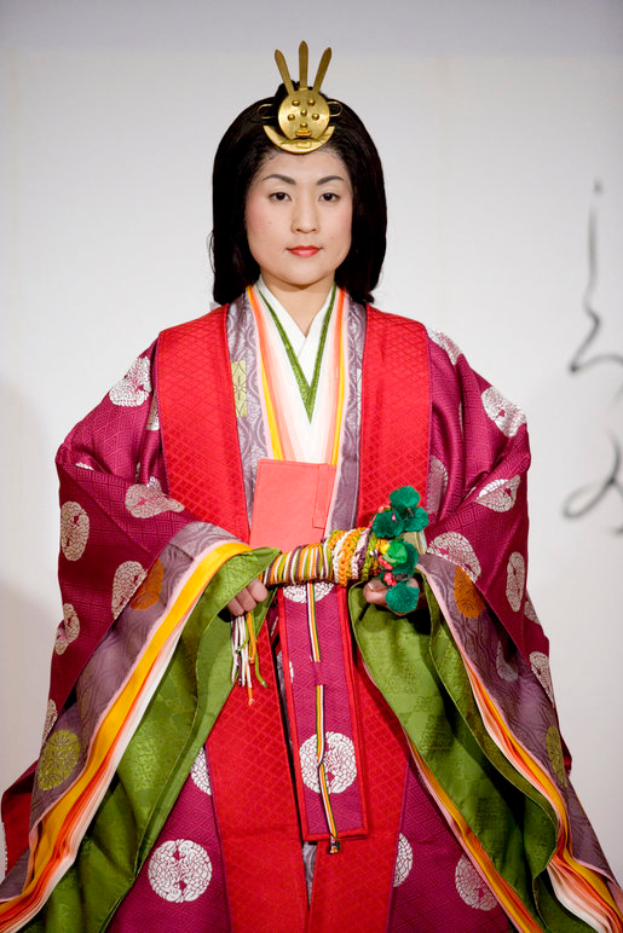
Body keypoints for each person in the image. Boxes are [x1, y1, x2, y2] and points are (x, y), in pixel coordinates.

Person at [0, 42, 621, 933]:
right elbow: (92, 478)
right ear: (236, 207)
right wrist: (204, 561)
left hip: (384, 672)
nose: (305, 219)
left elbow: (497, 472)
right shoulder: (176, 361)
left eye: (329, 193)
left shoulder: (422, 358)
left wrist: (420, 566)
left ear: (359, 210)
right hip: (230, 672)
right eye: (278, 192)